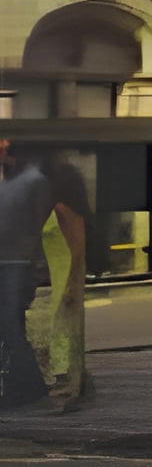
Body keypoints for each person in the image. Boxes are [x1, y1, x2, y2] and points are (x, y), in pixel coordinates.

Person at [35, 156, 89, 413]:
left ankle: (64, 378)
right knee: (56, 324)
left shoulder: (63, 210)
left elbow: (77, 244)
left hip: (64, 270)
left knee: (62, 324)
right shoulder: (49, 207)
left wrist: (72, 282)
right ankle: (60, 376)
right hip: (54, 271)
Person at [0, 144, 50, 410]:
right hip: (7, 262)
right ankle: (18, 386)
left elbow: (35, 227)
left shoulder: (34, 181)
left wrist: (35, 268)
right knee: (7, 327)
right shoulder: (8, 182)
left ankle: (31, 388)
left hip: (17, 264)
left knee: (10, 325)